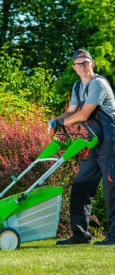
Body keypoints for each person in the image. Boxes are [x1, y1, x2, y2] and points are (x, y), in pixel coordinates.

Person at [46, 49, 115, 245]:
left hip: (110, 141)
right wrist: (55, 120)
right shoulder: (78, 86)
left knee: (111, 189)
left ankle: (114, 236)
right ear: (74, 68)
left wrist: (62, 124)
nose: (83, 66)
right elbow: (71, 112)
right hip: (93, 141)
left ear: (92, 64)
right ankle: (80, 235)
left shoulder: (98, 84)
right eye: (79, 64)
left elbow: (83, 115)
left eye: (86, 62)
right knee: (81, 186)